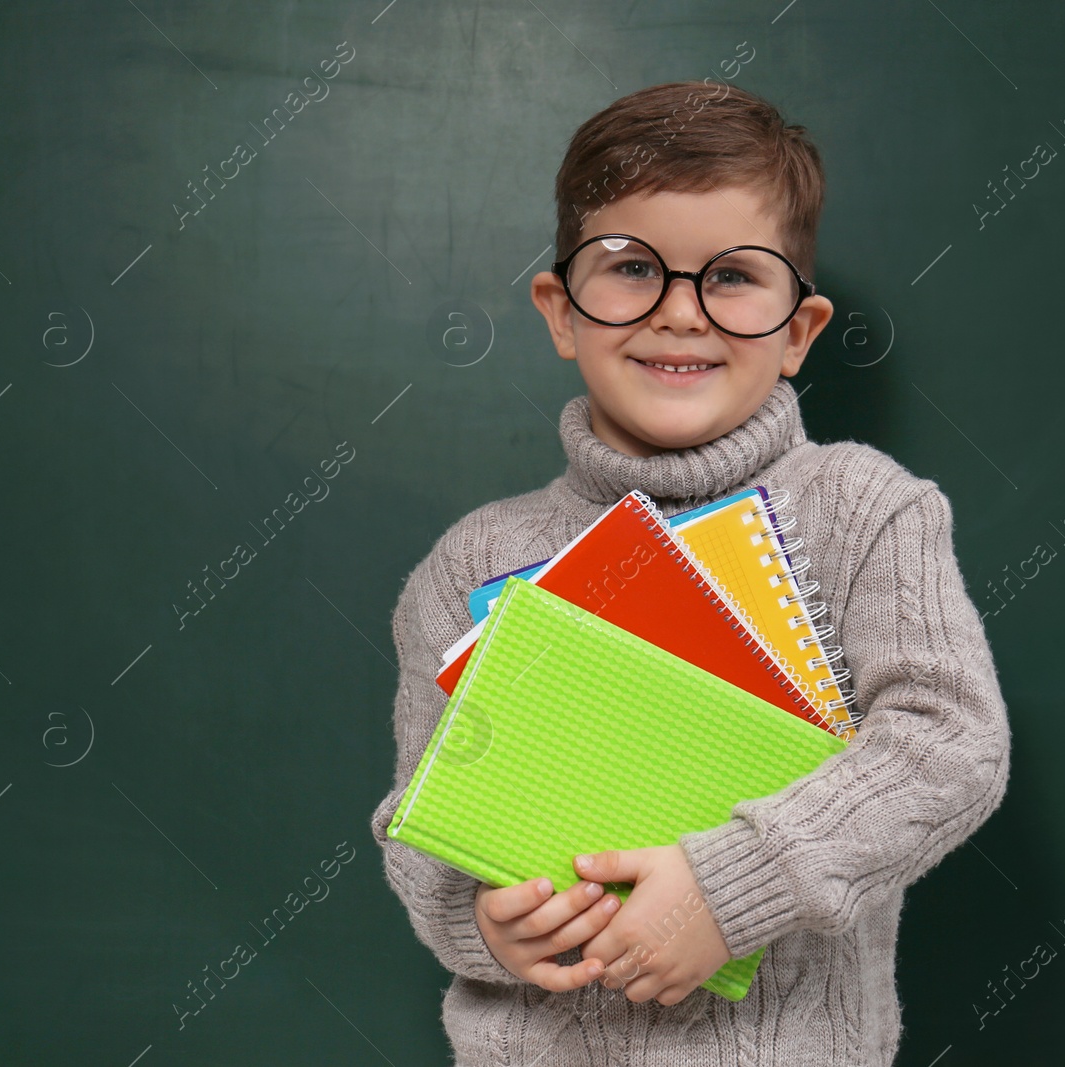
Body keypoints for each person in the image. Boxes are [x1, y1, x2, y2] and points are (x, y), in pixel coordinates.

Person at [369, 79, 1011, 1067]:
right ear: (560, 310)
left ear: (799, 330)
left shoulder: (862, 508)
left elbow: (949, 743)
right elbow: (420, 820)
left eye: (732, 277)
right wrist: (481, 923)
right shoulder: (471, 559)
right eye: (631, 267)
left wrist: (729, 887)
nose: (679, 313)